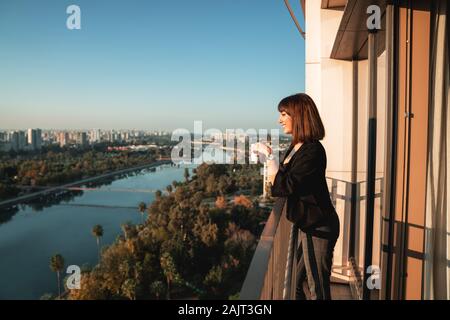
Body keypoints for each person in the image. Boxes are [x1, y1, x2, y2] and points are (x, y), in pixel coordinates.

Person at [253, 93, 340, 300]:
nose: (279, 120)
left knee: (317, 289)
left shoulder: (313, 151)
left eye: (284, 114)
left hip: (317, 227)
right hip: (307, 225)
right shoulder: (296, 146)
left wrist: (271, 158)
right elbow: (282, 180)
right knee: (297, 284)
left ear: (299, 116)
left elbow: (285, 186)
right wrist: (269, 160)